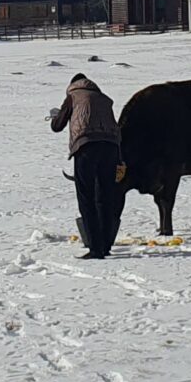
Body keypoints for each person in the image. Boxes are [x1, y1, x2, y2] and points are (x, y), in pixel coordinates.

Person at [49, 70, 124, 257]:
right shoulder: (104, 99)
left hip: (86, 146)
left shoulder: (73, 96)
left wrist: (55, 117)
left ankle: (95, 248)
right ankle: (106, 245)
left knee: (86, 197)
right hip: (111, 148)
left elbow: (57, 126)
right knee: (105, 196)